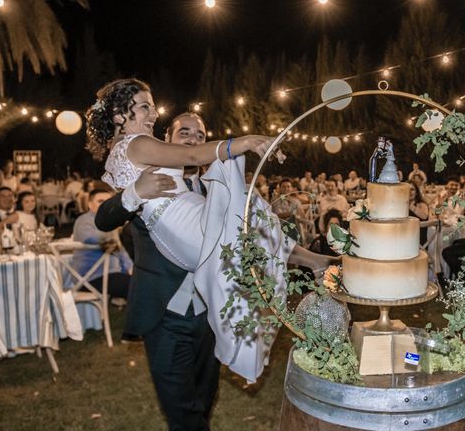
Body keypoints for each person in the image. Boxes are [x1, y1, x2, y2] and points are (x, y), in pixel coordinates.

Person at [95, 108, 334, 430]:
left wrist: (312, 260)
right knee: (182, 413)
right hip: (164, 315)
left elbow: (263, 240)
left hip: (210, 314)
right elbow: (105, 217)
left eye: (199, 136)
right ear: (167, 140)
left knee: (205, 398)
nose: (193, 139)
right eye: (184, 134)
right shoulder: (150, 183)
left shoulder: (222, 193)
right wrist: (134, 193)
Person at [73, 187, 133, 299]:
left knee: (143, 281)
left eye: (108, 202)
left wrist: (130, 267)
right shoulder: (84, 220)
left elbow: (119, 249)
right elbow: (89, 238)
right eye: (100, 201)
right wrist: (112, 232)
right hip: (92, 277)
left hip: (111, 274)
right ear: (89, 204)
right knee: (137, 287)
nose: (105, 205)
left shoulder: (109, 223)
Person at [407, 180, 430, 246]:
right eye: (407, 189)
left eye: (412, 189)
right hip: (404, 238)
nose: (410, 192)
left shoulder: (421, 205)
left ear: (416, 192)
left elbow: (424, 216)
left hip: (418, 243)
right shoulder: (401, 206)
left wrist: (410, 205)